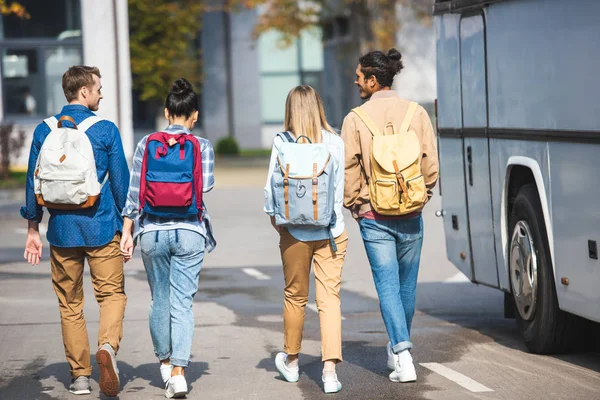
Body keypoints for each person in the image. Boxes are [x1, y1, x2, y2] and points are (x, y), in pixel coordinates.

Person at [21, 65, 129, 397]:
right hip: (101, 226)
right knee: (111, 295)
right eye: (97, 88)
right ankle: (107, 347)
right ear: (83, 92)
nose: (101, 94)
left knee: (70, 303)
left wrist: (32, 228)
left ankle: (80, 376)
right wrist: (128, 225)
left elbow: (32, 180)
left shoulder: (44, 130)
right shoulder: (106, 129)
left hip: (63, 231)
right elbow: (122, 184)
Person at [341, 49, 439, 383]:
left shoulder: (355, 118)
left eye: (359, 77)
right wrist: (423, 194)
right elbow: (430, 161)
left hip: (373, 213)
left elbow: (350, 168)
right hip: (411, 211)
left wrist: (355, 204)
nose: (355, 82)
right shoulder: (417, 113)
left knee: (386, 287)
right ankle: (400, 349)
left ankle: (402, 353)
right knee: (406, 286)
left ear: (372, 79)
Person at [120, 78, 216, 399]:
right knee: (182, 303)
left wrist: (127, 232)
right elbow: (205, 188)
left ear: (166, 111)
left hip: (151, 233)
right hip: (190, 231)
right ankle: (179, 372)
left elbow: (134, 192)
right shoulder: (202, 146)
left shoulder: (146, 143)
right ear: (194, 115)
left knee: (159, 298)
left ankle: (164, 361)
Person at [264, 85, 348, 394]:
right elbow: (340, 189)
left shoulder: (282, 143)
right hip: (331, 232)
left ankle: (292, 362)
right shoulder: (335, 142)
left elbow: (269, 193)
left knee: (295, 297)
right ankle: (329, 372)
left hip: (294, 234)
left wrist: (281, 225)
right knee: (329, 301)